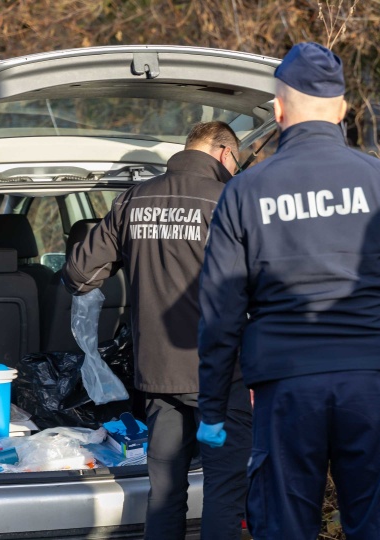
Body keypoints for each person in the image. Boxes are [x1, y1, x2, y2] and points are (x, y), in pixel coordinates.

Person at [195, 42, 380, 540]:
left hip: (285, 390)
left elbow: (220, 311)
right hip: (371, 385)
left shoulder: (246, 192)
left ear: (278, 110)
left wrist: (213, 407)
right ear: (342, 110)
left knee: (285, 526)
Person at [63, 121, 253, 540]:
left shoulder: (134, 200)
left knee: (165, 492)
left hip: (157, 372)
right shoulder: (231, 200)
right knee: (224, 490)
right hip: (221, 374)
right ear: (224, 153)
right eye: (236, 161)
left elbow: (79, 274)